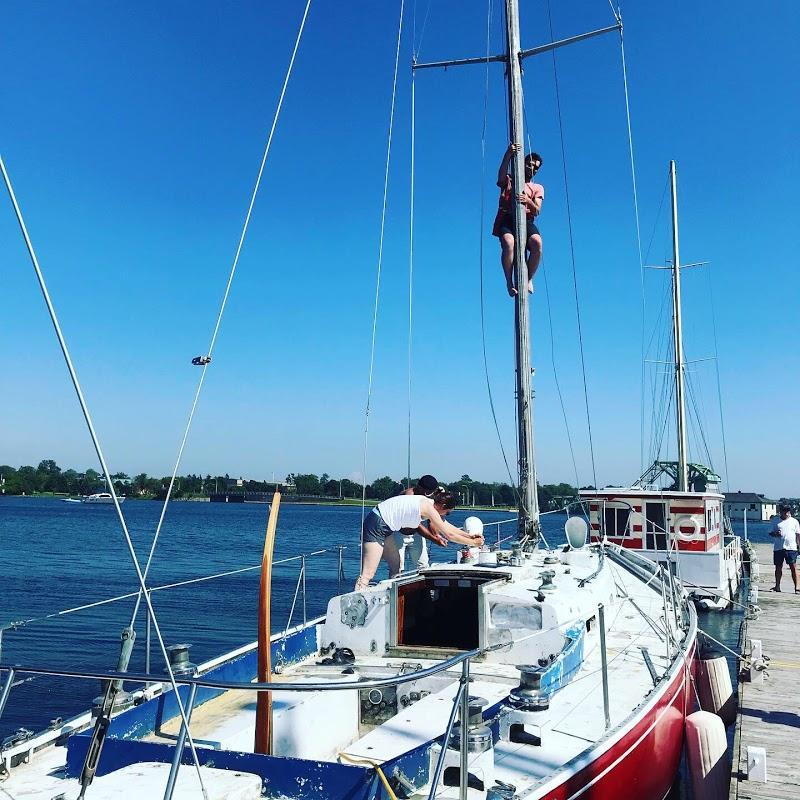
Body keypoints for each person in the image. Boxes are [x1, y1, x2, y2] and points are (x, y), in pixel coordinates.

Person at [355, 489, 485, 591]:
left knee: (396, 566)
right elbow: (449, 535)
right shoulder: (427, 507)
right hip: (376, 525)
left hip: (386, 527)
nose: (446, 515)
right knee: (368, 573)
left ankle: (392, 596)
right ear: (443, 505)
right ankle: (355, 602)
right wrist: (474, 543)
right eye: (448, 512)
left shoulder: (430, 504)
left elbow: (446, 526)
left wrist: (469, 536)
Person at [492, 143, 544, 297]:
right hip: (507, 218)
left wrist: (528, 201)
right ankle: (509, 282)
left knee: (537, 243)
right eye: (530, 164)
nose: (532, 169)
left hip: (527, 220)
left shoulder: (538, 188)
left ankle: (528, 278)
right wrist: (508, 154)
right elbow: (500, 178)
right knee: (509, 243)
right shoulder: (510, 179)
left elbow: (537, 210)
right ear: (523, 163)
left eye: (536, 168)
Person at [395, 475, 448, 573]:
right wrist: (434, 539)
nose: (425, 495)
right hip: (398, 533)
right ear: (418, 487)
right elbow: (416, 524)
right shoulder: (408, 496)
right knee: (397, 568)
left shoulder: (430, 496)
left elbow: (431, 520)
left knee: (423, 566)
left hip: (416, 535)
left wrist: (436, 535)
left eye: (429, 493)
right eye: (425, 492)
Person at [769, 505, 800, 593]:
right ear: (781, 511)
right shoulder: (775, 521)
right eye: (784, 510)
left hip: (791, 547)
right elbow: (770, 533)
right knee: (778, 567)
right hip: (778, 548)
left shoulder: (794, 521)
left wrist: (799, 546)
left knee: (793, 567)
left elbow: (798, 535)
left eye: (788, 511)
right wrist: (776, 534)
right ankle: (777, 586)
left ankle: (797, 587)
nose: (786, 512)